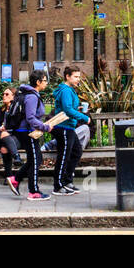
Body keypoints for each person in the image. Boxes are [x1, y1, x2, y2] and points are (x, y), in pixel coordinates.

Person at [10, 69, 53, 200]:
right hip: (27, 133)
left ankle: (15, 179)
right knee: (35, 160)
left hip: (27, 132)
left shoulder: (30, 94)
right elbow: (30, 118)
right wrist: (45, 127)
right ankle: (33, 191)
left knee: (36, 158)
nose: (46, 83)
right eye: (45, 81)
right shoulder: (32, 96)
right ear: (38, 82)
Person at [51, 66, 88, 195]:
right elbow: (67, 110)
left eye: (79, 76)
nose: (78, 79)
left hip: (69, 127)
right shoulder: (66, 90)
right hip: (63, 127)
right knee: (64, 156)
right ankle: (58, 185)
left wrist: (77, 109)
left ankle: (67, 181)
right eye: (76, 77)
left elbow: (69, 107)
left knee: (77, 152)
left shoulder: (70, 90)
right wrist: (84, 117)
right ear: (67, 76)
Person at [0, 87, 23, 184]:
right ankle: (16, 156)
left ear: (13, 97)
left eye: (7, 94)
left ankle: (8, 177)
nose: (4, 96)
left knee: (4, 149)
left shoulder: (18, 110)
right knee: (4, 133)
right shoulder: (0, 110)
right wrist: (0, 129)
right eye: (3, 94)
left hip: (14, 138)